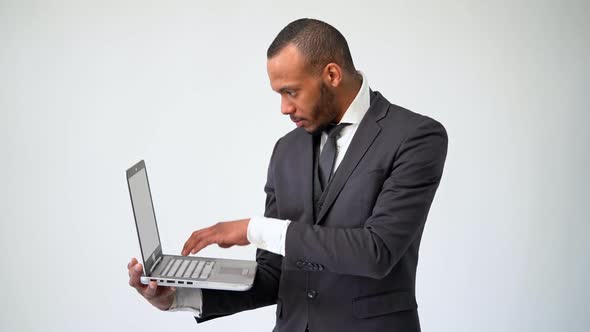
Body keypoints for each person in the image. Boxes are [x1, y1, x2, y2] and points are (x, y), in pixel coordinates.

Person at [127, 18, 448, 332]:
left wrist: (254, 229)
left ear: (332, 74)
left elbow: (376, 252)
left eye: (291, 92)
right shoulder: (286, 149)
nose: (283, 107)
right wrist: (178, 297)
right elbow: (275, 274)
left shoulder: (415, 137)